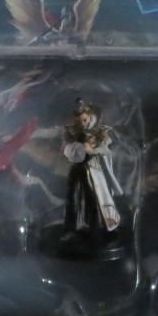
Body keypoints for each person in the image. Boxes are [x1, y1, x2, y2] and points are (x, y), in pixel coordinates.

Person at [61, 99, 123, 245]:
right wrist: (79, 148)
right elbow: (67, 151)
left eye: (84, 120)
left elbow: (106, 150)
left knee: (95, 200)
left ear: (89, 118)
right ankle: (73, 229)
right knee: (73, 199)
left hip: (95, 172)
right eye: (79, 121)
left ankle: (97, 229)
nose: (82, 123)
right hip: (78, 170)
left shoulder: (99, 132)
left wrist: (93, 150)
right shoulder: (72, 132)